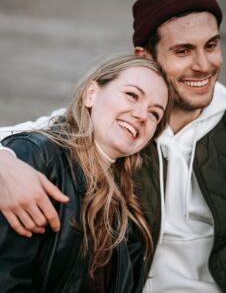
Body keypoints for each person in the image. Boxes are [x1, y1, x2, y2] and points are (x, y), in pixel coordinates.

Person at [0, 0, 226, 292]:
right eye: (183, 51)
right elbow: (41, 137)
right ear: (145, 57)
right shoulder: (112, 128)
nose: (204, 65)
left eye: (211, 45)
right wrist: (4, 162)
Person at [0, 54, 173, 292]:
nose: (142, 115)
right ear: (91, 94)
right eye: (132, 95)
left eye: (155, 113)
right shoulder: (35, 158)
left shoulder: (129, 208)